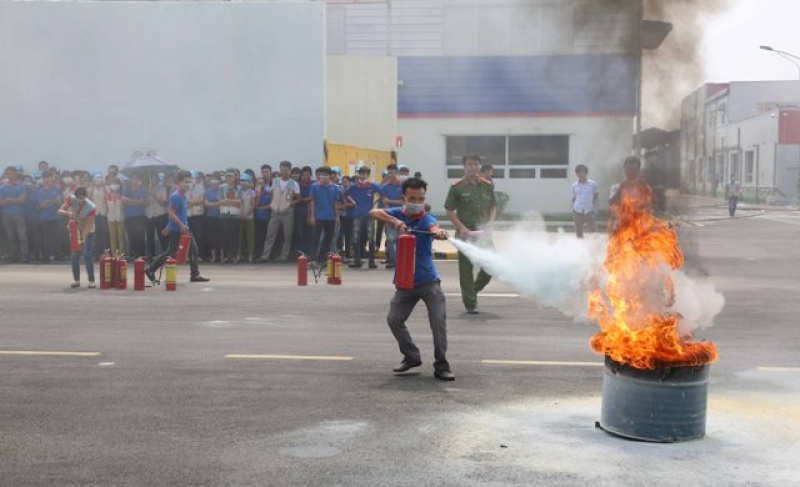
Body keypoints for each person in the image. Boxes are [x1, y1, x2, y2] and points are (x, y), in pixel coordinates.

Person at [369, 177, 454, 381]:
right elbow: (373, 212)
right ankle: (411, 356)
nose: (417, 203)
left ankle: (441, 365)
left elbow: (434, 228)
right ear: (404, 197)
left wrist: (439, 233)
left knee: (437, 322)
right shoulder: (397, 213)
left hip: (428, 281)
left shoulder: (427, 219)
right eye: (413, 198)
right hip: (405, 281)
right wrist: (395, 221)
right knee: (394, 320)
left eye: (421, 199)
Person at [445, 154, 496, 314]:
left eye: (475, 164)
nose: (473, 167)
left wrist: (490, 223)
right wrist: (461, 227)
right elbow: (449, 210)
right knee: (466, 270)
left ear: (480, 166)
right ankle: (470, 303)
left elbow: (493, 207)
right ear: (464, 166)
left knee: (491, 266)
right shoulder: (457, 187)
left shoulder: (487, 185)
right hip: (465, 232)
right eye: (469, 164)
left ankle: (472, 290)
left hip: (483, 233)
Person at [146, 170, 209, 283]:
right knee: (178, 251)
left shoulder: (183, 196)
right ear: (179, 182)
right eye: (186, 181)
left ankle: (151, 269)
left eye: (190, 181)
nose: (188, 184)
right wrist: (179, 225)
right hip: (179, 229)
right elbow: (171, 213)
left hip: (181, 227)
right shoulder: (176, 196)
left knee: (184, 250)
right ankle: (151, 268)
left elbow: (176, 213)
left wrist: (167, 227)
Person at [260, 161, 301, 263]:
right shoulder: (276, 181)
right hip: (275, 212)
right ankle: (265, 256)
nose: (283, 172)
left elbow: (298, 198)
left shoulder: (294, 184)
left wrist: (289, 204)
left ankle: (284, 256)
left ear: (290, 171)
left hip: (288, 212)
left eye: (286, 170)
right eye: (282, 170)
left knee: (287, 235)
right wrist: (273, 204)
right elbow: (273, 194)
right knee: (270, 234)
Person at [57, 186, 97, 288]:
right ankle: (76, 280)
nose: (80, 200)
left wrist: (82, 239)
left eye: (82, 197)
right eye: (78, 197)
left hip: (88, 232)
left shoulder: (91, 207)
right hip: (75, 229)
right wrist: (68, 213)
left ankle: (91, 281)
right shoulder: (71, 199)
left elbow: (88, 226)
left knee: (87, 255)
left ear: (85, 196)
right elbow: (60, 211)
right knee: (74, 256)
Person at [347, 166, 381, 269]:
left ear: (368, 175)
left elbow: (382, 193)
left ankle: (371, 261)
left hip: (369, 215)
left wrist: (375, 203)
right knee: (356, 238)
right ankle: (357, 261)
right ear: (358, 174)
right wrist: (352, 202)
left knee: (371, 238)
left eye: (365, 173)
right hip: (357, 215)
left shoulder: (372, 186)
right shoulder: (354, 186)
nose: (363, 175)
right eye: (361, 173)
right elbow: (346, 194)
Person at [308, 166, 343, 264]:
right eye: (322, 175)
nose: (324, 177)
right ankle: (313, 259)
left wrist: (337, 217)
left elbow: (336, 203)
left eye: (326, 175)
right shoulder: (314, 186)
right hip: (318, 217)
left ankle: (322, 260)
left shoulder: (335, 188)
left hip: (330, 218)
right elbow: (312, 202)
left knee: (327, 240)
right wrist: (312, 216)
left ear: (330, 176)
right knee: (315, 238)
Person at [0, 166, 30, 263]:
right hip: (6, 215)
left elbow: (22, 200)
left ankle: (24, 256)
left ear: (15, 174)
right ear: (6, 174)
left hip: (19, 214)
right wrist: (15, 200)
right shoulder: (2, 188)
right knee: (10, 236)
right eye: (8, 173)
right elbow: (1, 202)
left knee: (22, 235)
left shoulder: (21, 186)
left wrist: (8, 200)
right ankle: (14, 255)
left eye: (12, 173)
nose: (10, 175)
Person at [380, 164, 404, 268]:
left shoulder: (402, 186)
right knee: (390, 239)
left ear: (397, 173)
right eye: (389, 173)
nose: (390, 175)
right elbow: (385, 203)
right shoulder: (385, 187)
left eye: (392, 173)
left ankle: (400, 260)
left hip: (401, 216)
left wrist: (390, 201)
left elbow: (403, 202)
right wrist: (387, 217)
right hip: (389, 216)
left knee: (400, 238)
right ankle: (393, 260)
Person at [122, 173, 149, 258]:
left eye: (135, 178)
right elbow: (123, 200)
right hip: (129, 216)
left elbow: (142, 201)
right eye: (132, 178)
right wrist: (136, 202)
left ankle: (141, 254)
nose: (134, 180)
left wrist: (130, 202)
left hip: (140, 215)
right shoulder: (127, 189)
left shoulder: (142, 189)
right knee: (131, 235)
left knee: (140, 235)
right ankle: (133, 254)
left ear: (138, 179)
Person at [571, 164, 599, 238]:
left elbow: (596, 196)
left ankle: (594, 246)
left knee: (593, 230)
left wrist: (593, 206)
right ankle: (580, 246)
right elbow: (574, 197)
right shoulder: (574, 185)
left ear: (586, 173)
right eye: (578, 172)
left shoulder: (593, 184)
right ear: (576, 174)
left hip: (589, 210)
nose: (580, 174)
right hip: (577, 210)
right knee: (578, 232)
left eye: (582, 172)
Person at [105, 177, 126, 255]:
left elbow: (124, 205)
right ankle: (114, 254)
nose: (114, 185)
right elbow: (106, 206)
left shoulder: (122, 193)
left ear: (120, 185)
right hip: (111, 218)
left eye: (116, 183)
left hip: (120, 218)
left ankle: (122, 254)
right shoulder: (107, 194)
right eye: (113, 183)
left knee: (121, 238)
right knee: (112, 238)